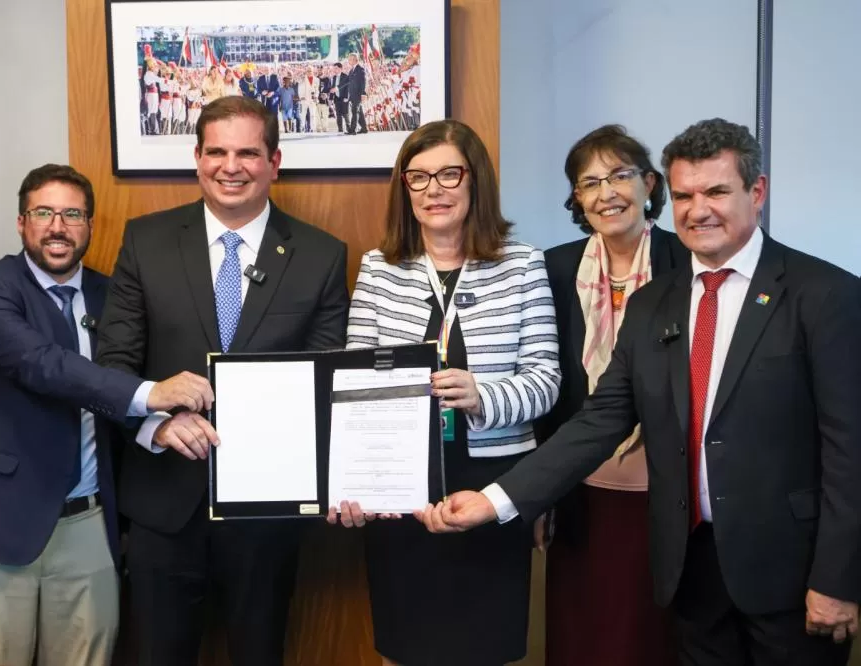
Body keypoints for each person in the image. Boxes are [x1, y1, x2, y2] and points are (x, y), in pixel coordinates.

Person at [419, 118, 861, 665]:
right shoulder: (656, 304)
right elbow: (598, 420)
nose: (699, 209)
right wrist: (495, 500)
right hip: (691, 575)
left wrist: (839, 577)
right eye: (685, 195)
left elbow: (850, 452)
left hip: (789, 581)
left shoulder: (826, 295)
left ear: (757, 191)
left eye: (717, 191)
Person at [94, 95, 349, 666]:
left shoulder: (320, 255)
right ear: (197, 157)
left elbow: (324, 381)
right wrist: (156, 426)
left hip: (267, 508)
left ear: (274, 162)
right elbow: (113, 361)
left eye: (247, 153)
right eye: (217, 151)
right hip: (164, 502)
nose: (230, 166)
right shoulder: (146, 240)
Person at [0, 164, 214, 666]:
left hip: (88, 524)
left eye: (72, 214)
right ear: (22, 223)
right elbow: (44, 366)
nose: (57, 226)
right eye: (43, 212)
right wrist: (153, 394)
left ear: (91, 226)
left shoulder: (115, 296)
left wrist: (157, 425)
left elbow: (113, 391)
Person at [329, 119, 561, 666]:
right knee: (406, 644)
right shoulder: (379, 268)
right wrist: (367, 477)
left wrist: (483, 397)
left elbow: (546, 378)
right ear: (404, 188)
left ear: (475, 180)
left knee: (486, 645)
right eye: (418, 178)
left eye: (449, 174)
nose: (433, 190)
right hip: (401, 483)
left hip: (494, 484)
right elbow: (352, 378)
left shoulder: (523, 264)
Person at [535, 124, 686, 666]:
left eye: (620, 175)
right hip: (582, 488)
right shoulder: (552, 269)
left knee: (650, 635)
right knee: (584, 633)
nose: (606, 193)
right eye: (589, 182)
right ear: (577, 198)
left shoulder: (686, 262)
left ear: (649, 183)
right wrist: (541, 490)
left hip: (666, 489)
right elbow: (548, 384)